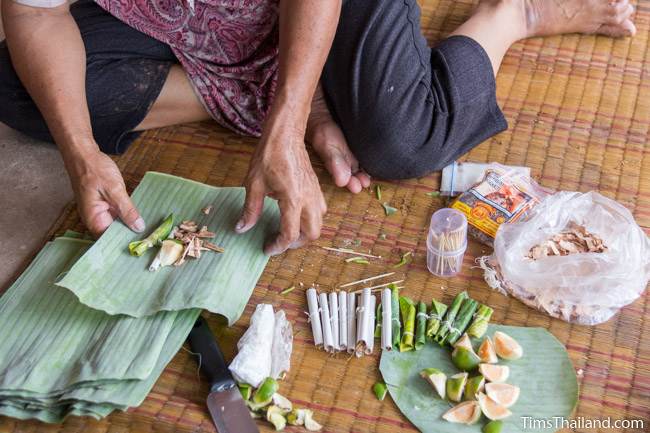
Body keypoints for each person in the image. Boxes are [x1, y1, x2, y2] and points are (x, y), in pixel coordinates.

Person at [0, 0, 636, 255]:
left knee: (402, 140)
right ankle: (258, 85)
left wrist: (290, 125)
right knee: (24, 93)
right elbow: (33, 15)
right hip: (187, 14)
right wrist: (81, 152)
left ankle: (514, 12)